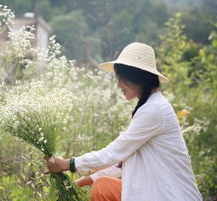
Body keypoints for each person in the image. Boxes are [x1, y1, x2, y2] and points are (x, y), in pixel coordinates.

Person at [45, 42, 202, 201]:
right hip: (153, 193)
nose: (119, 85)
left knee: (104, 186)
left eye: (123, 79)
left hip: (170, 196)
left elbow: (114, 153)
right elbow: (118, 163)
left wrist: (68, 164)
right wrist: (75, 184)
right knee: (103, 186)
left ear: (140, 79)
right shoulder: (150, 106)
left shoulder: (154, 110)